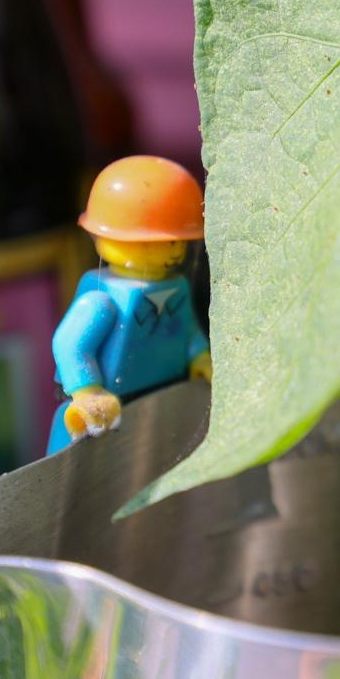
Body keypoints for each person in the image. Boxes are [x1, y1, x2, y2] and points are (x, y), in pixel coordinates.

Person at [46, 156, 211, 455]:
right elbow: (70, 344)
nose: (172, 250)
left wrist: (199, 357)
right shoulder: (102, 300)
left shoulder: (176, 289)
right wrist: (87, 391)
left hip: (165, 395)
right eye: (154, 242)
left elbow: (186, 329)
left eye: (177, 241)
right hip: (106, 410)